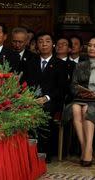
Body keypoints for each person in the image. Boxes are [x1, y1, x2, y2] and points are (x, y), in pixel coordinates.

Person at [63, 34, 95, 167]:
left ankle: (87, 149)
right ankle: (86, 147)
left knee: (86, 108)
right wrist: (81, 92)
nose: (91, 48)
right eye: (90, 45)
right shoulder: (80, 65)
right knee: (75, 108)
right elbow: (73, 85)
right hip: (80, 98)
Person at [22, 32, 68, 162]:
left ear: (53, 44)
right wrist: (30, 97)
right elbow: (25, 83)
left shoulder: (60, 64)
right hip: (31, 99)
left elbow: (62, 88)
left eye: (47, 41)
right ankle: (27, 151)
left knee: (45, 111)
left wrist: (46, 97)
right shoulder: (30, 62)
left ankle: (43, 151)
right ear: (36, 45)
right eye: (41, 41)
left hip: (51, 100)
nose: (44, 44)